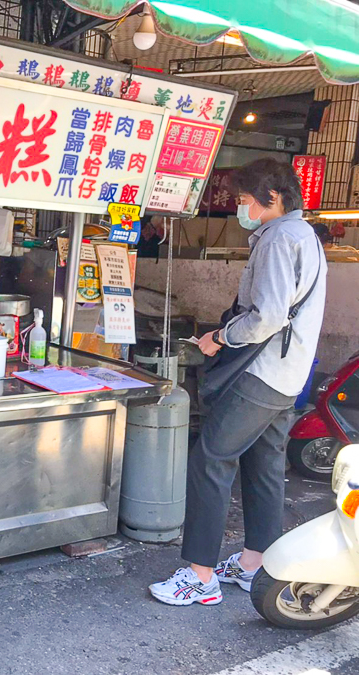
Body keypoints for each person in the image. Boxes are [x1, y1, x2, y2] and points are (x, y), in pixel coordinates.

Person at [149, 158, 327, 607]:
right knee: (264, 465)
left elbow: (266, 316)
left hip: (261, 373)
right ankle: (255, 565)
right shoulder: (304, 235)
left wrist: (220, 337)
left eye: (245, 199)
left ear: (273, 197)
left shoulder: (280, 238)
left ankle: (200, 576)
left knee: (210, 459)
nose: (239, 208)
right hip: (288, 375)